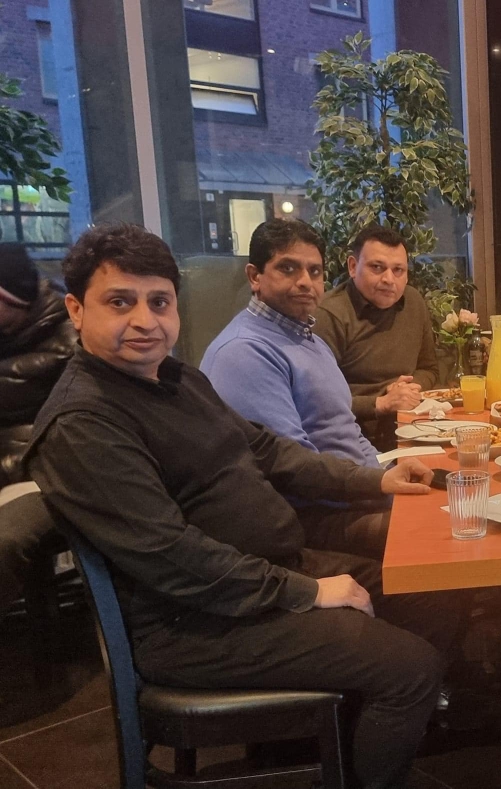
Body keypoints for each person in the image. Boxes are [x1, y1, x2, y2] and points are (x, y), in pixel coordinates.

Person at [26, 224, 458, 789]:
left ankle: (359, 738)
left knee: (428, 588)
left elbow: (268, 449)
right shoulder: (83, 423)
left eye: (159, 302)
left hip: (264, 575)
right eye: (120, 302)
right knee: (409, 667)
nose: (145, 320)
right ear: (76, 310)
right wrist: (305, 592)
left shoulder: (174, 378)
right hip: (193, 622)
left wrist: (374, 481)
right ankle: (375, 740)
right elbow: (171, 555)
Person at [200, 219, 389, 559]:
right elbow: (294, 472)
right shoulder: (244, 351)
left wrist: (386, 477)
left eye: (314, 271)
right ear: (254, 276)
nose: (305, 281)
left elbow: (347, 430)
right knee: (439, 533)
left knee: (455, 498)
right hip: (311, 519)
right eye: (288, 268)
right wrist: (380, 489)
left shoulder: (309, 340)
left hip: (353, 494)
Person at [0, 244, 77, 610]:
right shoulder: (10, 334)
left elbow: (65, 438)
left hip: (40, 470)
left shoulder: (69, 343)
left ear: (11, 299)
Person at [314, 225, 439, 450]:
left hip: (411, 430)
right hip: (350, 441)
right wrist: (381, 402)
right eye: (377, 267)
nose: (389, 279)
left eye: (398, 270)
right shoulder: (330, 314)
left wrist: (407, 389)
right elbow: (316, 400)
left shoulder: (413, 302)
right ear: (353, 267)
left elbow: (429, 369)